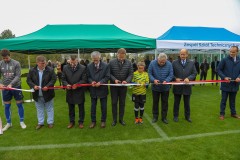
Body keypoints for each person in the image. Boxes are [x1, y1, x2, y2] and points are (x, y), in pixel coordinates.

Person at [27, 55, 57, 130]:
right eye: (41, 63)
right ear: (37, 63)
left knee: (49, 108)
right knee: (39, 109)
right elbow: (29, 80)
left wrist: (48, 86)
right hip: (37, 94)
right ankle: (40, 123)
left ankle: (50, 122)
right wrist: (33, 86)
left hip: (48, 93)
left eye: (44, 63)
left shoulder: (50, 70)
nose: (43, 64)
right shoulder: (32, 70)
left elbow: (53, 79)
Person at [0, 49, 26, 131]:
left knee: (19, 104)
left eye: (6, 58)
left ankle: (21, 121)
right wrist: (0, 84)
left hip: (16, 86)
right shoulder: (0, 64)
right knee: (7, 105)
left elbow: (18, 75)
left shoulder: (16, 63)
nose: (5, 59)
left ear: (9, 55)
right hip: (5, 87)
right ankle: (8, 123)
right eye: (4, 58)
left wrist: (11, 84)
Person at [109, 48, 133, 126]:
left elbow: (130, 74)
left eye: (123, 57)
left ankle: (121, 119)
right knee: (114, 103)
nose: (121, 58)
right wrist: (114, 80)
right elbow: (109, 73)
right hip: (114, 86)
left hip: (123, 86)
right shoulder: (111, 62)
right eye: (120, 57)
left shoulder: (129, 63)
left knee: (122, 103)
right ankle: (114, 120)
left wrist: (127, 80)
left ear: (125, 55)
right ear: (117, 55)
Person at [62, 55, 87, 129]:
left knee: (81, 108)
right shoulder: (65, 67)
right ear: (69, 61)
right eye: (71, 62)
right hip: (70, 91)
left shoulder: (83, 68)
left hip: (79, 90)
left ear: (77, 61)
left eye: (74, 62)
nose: (72, 64)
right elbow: (63, 79)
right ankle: (71, 122)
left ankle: (81, 122)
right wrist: (67, 84)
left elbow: (84, 80)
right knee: (71, 108)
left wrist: (77, 84)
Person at [172, 49, 197, 122]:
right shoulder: (174, 63)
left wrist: (189, 78)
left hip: (187, 86)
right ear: (179, 54)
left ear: (187, 55)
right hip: (177, 86)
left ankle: (187, 116)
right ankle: (175, 116)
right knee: (176, 103)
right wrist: (175, 78)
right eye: (181, 54)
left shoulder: (191, 63)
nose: (182, 56)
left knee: (187, 103)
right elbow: (171, 73)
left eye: (184, 54)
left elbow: (194, 73)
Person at [148, 53, 173, 124]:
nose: (162, 63)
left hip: (165, 88)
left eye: (163, 62)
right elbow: (149, 73)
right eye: (160, 61)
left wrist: (167, 80)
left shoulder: (169, 64)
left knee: (165, 103)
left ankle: (164, 117)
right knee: (155, 102)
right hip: (155, 87)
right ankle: (155, 117)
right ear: (157, 59)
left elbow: (171, 74)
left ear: (166, 60)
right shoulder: (152, 63)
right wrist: (153, 80)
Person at [87, 51, 110, 128]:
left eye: (96, 59)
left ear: (99, 58)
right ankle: (93, 121)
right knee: (93, 107)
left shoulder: (106, 65)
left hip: (102, 89)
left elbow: (107, 77)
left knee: (103, 106)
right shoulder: (89, 66)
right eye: (94, 60)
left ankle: (103, 121)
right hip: (93, 89)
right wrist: (91, 81)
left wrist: (100, 82)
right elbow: (88, 77)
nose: (95, 61)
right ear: (91, 58)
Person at [217, 46, 240, 120]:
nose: (231, 53)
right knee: (223, 100)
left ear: (237, 52)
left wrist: (239, 77)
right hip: (226, 84)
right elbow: (218, 70)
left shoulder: (239, 60)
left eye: (233, 52)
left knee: (233, 101)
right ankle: (222, 114)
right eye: (230, 51)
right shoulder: (224, 60)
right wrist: (224, 77)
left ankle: (233, 113)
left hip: (235, 84)